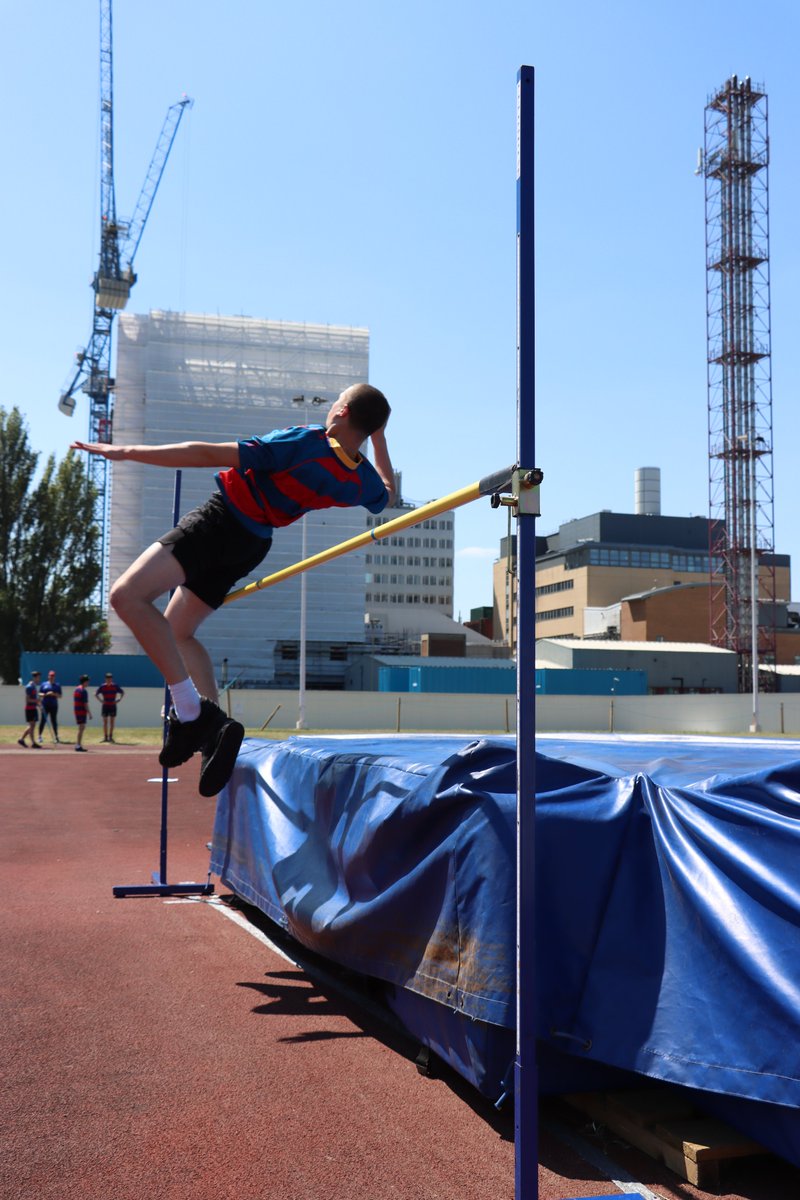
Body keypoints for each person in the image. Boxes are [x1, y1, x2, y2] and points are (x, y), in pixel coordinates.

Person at [71, 383, 395, 797]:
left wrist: (128, 452)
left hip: (219, 522)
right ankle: (214, 736)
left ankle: (192, 712)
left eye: (335, 402)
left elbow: (206, 453)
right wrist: (379, 438)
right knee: (177, 631)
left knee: (126, 597)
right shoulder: (356, 477)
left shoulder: (305, 443)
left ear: (343, 411)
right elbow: (388, 495)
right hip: (250, 546)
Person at [95, 673, 125, 742]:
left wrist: (119, 699)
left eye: (110, 678)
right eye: (107, 678)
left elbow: (122, 692)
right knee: (105, 722)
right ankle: (105, 737)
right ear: (105, 679)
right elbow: (95, 694)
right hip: (105, 706)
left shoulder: (115, 686)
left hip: (112, 705)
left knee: (112, 722)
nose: (109, 680)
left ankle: (111, 737)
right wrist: (100, 700)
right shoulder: (102, 686)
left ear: (112, 679)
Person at [37, 670, 63, 744]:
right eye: (50, 676)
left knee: (54, 721)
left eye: (53, 676)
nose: (51, 677)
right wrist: (45, 695)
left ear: (54, 677)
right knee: (43, 720)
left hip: (54, 705)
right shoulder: (44, 684)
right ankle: (39, 736)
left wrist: (53, 694)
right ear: (48, 676)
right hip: (45, 705)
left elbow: (60, 696)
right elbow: (39, 693)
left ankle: (56, 737)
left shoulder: (57, 685)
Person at [18, 670, 42, 748]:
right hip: (29, 709)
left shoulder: (34, 686)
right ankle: (33, 743)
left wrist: (38, 705)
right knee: (32, 726)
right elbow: (27, 700)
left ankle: (21, 739)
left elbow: (34, 699)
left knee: (32, 726)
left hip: (33, 708)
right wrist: (36, 701)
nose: (39, 679)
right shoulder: (29, 687)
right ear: (35, 677)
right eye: (38, 678)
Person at [74, 675, 92, 751]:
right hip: (81, 711)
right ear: (84, 682)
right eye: (87, 681)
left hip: (77, 711)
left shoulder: (76, 689)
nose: (88, 683)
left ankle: (78, 744)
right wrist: (89, 713)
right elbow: (85, 704)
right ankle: (78, 745)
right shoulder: (84, 691)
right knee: (81, 728)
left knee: (81, 728)